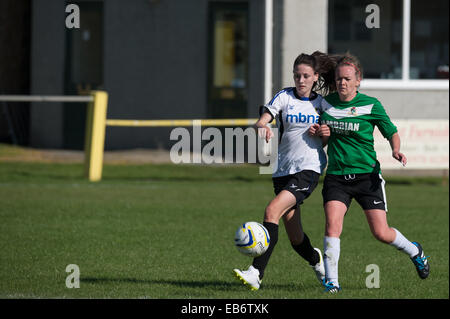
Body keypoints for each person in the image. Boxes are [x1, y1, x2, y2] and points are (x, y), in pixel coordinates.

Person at [309, 53, 430, 293]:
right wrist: (320, 134)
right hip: (337, 177)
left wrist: (396, 150)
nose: (342, 83)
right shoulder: (326, 104)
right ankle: (332, 282)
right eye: (339, 79)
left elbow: (391, 131)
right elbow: (322, 140)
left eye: (347, 79)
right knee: (332, 226)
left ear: (358, 80)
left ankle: (415, 250)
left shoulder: (371, 104)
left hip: (367, 177)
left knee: (381, 233)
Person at [233, 52, 336, 290]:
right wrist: (262, 126)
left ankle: (256, 273)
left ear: (315, 77)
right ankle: (317, 260)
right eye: (297, 75)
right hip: (282, 171)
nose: (301, 80)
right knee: (296, 238)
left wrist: (324, 133)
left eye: (306, 76)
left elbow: (330, 135)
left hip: (309, 169)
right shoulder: (284, 96)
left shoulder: (322, 104)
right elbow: (263, 119)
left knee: (272, 210)